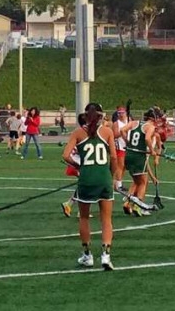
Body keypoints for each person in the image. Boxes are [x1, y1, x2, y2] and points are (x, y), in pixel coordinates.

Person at [62, 103, 117, 271]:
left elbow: (65, 155)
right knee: (106, 219)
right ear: (100, 116)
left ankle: (87, 255)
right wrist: (111, 176)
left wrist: (80, 166)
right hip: (104, 179)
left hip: (86, 179)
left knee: (84, 218)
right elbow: (114, 158)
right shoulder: (107, 132)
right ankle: (106, 255)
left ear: (85, 116)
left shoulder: (78, 133)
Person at [121, 108, 160, 216]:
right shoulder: (150, 127)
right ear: (153, 118)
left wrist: (128, 143)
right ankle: (138, 207)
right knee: (143, 182)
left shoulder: (134, 123)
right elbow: (147, 139)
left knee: (136, 181)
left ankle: (128, 202)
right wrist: (152, 151)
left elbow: (122, 130)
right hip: (139, 156)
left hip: (128, 155)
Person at [61, 113, 87, 218]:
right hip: (78, 163)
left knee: (84, 186)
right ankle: (80, 210)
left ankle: (69, 204)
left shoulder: (79, 132)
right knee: (86, 187)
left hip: (76, 162)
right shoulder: (83, 133)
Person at [112, 106, 129, 193]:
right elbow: (115, 134)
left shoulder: (129, 121)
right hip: (120, 146)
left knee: (124, 166)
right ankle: (119, 185)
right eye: (119, 113)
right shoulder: (116, 123)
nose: (121, 115)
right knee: (120, 165)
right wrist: (123, 131)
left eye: (123, 113)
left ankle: (118, 182)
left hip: (127, 146)